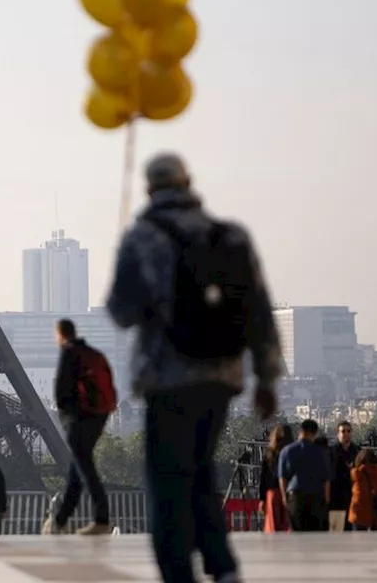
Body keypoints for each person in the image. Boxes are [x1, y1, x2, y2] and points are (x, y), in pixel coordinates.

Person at [107, 153, 282, 583]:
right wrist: (266, 378)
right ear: (189, 183)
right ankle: (222, 567)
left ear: (149, 189)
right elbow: (259, 311)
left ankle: (178, 574)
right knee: (201, 472)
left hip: (167, 378)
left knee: (168, 482)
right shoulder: (231, 235)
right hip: (221, 375)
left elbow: (121, 311)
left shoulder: (143, 237)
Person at [45, 318, 115, 535]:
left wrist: (66, 417)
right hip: (99, 416)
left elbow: (61, 391)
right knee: (78, 466)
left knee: (85, 467)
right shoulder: (94, 354)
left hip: (79, 418)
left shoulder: (69, 352)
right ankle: (60, 519)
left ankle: (101, 518)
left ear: (60, 334)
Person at [278, 419, 332, 532]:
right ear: (315, 433)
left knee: (298, 531)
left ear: (300, 430)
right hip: (316, 496)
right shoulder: (320, 452)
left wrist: (284, 497)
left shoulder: (287, 451)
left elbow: (282, 477)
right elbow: (326, 479)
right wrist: (326, 500)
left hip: (296, 495)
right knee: (315, 533)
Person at [328, 421, 361, 531]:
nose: (346, 434)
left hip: (353, 496)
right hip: (336, 496)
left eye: (348, 431)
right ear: (338, 434)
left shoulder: (357, 451)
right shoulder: (332, 452)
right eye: (343, 431)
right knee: (336, 530)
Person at [259, 424, 292, 532]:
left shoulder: (270, 454)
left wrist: (262, 499)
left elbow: (264, 478)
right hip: (289, 492)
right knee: (288, 525)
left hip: (272, 492)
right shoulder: (291, 453)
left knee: (273, 526)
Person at [348, 448, 377, 531]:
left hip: (360, 511)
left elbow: (352, 475)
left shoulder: (357, 473)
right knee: (376, 541)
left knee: (358, 540)